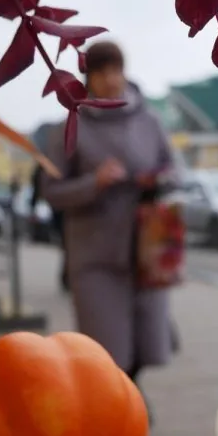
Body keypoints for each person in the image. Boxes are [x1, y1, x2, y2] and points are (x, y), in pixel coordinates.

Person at [42, 40, 178, 416]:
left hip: (145, 251)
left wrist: (159, 180)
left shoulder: (148, 120)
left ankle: (130, 395)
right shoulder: (71, 126)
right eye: (101, 72)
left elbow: (175, 170)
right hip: (95, 254)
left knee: (147, 338)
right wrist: (94, 183)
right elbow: (50, 191)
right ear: (89, 78)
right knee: (105, 346)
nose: (110, 80)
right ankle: (123, 407)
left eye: (115, 70)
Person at [30, 147, 68, 291]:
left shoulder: (49, 163)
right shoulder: (49, 165)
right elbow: (39, 186)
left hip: (62, 210)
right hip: (61, 210)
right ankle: (67, 278)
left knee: (67, 246)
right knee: (67, 245)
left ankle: (68, 278)